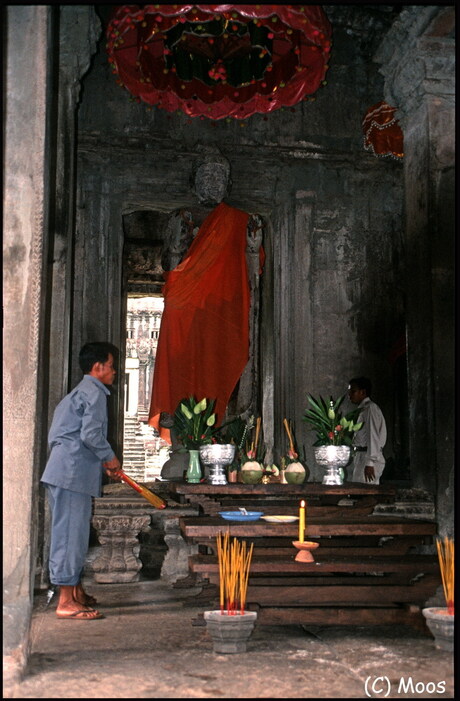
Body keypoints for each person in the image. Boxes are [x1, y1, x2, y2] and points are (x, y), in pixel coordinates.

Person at [41, 342, 122, 619]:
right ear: (98, 367)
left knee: (72, 534)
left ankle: (74, 591)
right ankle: (65, 602)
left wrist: (102, 461)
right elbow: (91, 436)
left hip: (68, 470)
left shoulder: (81, 391)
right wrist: (109, 457)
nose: (114, 372)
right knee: (70, 536)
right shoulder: (95, 393)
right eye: (111, 366)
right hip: (72, 473)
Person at [348, 376, 387, 484]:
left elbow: (373, 435)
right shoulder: (363, 409)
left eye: (353, 391)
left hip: (369, 457)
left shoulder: (370, 408)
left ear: (363, 392)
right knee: (358, 492)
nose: (349, 395)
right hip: (362, 455)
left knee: (367, 493)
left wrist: (370, 463)